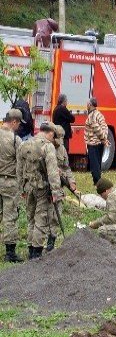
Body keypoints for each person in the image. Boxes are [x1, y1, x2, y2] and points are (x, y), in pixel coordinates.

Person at [17, 122, 63, 260]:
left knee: (30, 219)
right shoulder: (48, 147)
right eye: (53, 135)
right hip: (42, 188)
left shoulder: (23, 145)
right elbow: (53, 172)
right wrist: (55, 192)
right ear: (50, 133)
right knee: (41, 219)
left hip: (28, 187)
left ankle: (30, 249)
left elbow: (19, 169)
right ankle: (36, 253)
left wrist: (21, 188)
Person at [45, 126, 77, 252]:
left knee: (56, 214)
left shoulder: (62, 149)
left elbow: (66, 167)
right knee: (45, 215)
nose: (59, 142)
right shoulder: (45, 147)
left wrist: (71, 181)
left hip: (58, 187)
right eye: (58, 138)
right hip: (45, 186)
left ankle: (51, 241)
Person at [0, 109, 26, 262]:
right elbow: (22, 162)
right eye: (19, 124)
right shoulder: (15, 139)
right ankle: (10, 253)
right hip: (10, 182)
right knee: (10, 217)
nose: (19, 127)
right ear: (14, 121)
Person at [84, 97, 108, 184]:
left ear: (90, 105)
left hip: (93, 144)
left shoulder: (92, 116)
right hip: (99, 143)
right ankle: (98, 181)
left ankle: (98, 183)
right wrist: (104, 138)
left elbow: (97, 128)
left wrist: (103, 138)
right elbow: (105, 127)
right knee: (98, 164)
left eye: (87, 104)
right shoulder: (99, 114)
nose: (86, 105)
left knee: (94, 165)